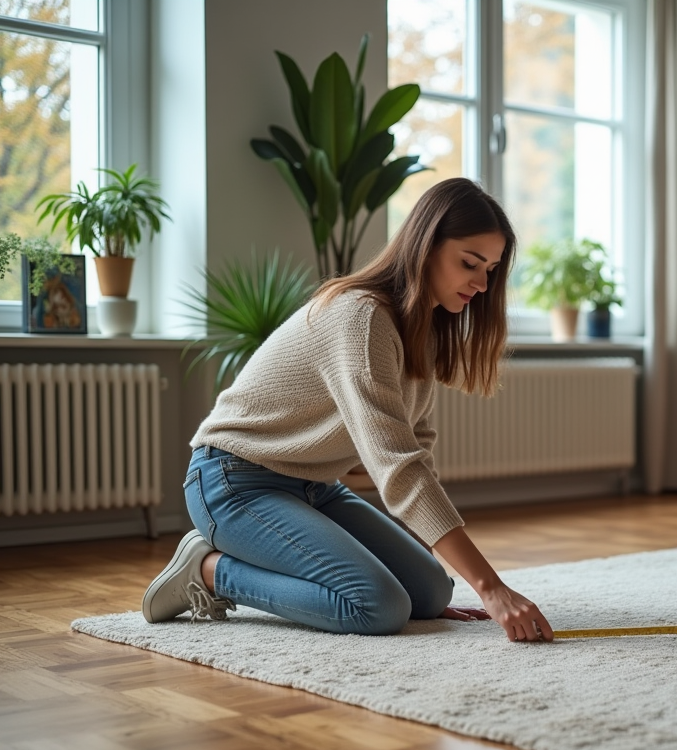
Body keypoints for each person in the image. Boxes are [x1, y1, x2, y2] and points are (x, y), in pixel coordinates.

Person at [141, 177, 553, 643]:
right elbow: (397, 468)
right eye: (470, 263)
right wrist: (490, 587)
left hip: (314, 488)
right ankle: (210, 570)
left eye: (492, 270)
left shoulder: (425, 327)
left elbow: (416, 447)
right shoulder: (361, 317)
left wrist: (422, 574)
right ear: (425, 247)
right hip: (233, 483)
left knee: (430, 593)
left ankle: (409, 583)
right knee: (378, 607)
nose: (481, 283)